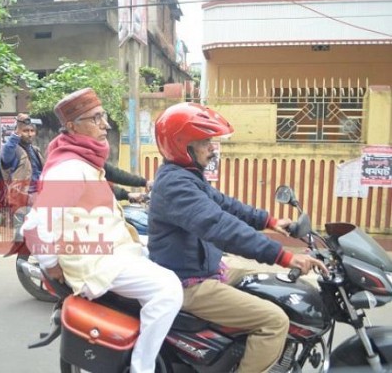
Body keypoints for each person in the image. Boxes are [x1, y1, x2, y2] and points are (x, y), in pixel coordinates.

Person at [148, 102, 328, 373]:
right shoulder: (175, 185)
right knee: (274, 321)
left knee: (273, 288)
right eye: (205, 142)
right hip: (188, 283)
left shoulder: (188, 177)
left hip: (208, 270)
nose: (212, 148)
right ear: (182, 145)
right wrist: (282, 256)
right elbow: (220, 226)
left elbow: (226, 205)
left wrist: (269, 221)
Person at [22, 88, 182, 373]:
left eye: (103, 116)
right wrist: (51, 264)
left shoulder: (83, 158)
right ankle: (141, 368)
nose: (105, 124)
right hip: (93, 260)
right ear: (72, 126)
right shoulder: (70, 168)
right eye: (96, 118)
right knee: (168, 289)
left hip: (108, 248)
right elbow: (36, 224)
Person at [0, 113, 44, 255]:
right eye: (26, 131)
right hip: (22, 197)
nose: (29, 134)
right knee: (29, 229)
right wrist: (17, 132)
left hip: (38, 195)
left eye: (32, 131)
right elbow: (5, 155)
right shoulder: (13, 150)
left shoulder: (35, 150)